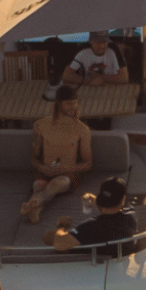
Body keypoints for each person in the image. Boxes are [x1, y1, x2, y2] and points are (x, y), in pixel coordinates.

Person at [20, 86, 92, 225]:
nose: (73, 106)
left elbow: (88, 164)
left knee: (58, 183)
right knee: (39, 185)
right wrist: (42, 168)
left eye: (75, 102)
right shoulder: (40, 125)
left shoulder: (82, 130)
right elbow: (34, 158)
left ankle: (31, 203)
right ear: (59, 104)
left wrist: (66, 168)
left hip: (68, 174)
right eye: (69, 103)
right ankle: (35, 210)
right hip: (45, 171)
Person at [45, 177, 137, 255]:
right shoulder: (131, 216)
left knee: (49, 236)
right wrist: (98, 202)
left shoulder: (90, 227)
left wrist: (62, 226)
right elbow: (118, 207)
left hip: (85, 262)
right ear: (122, 200)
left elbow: (59, 244)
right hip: (116, 256)